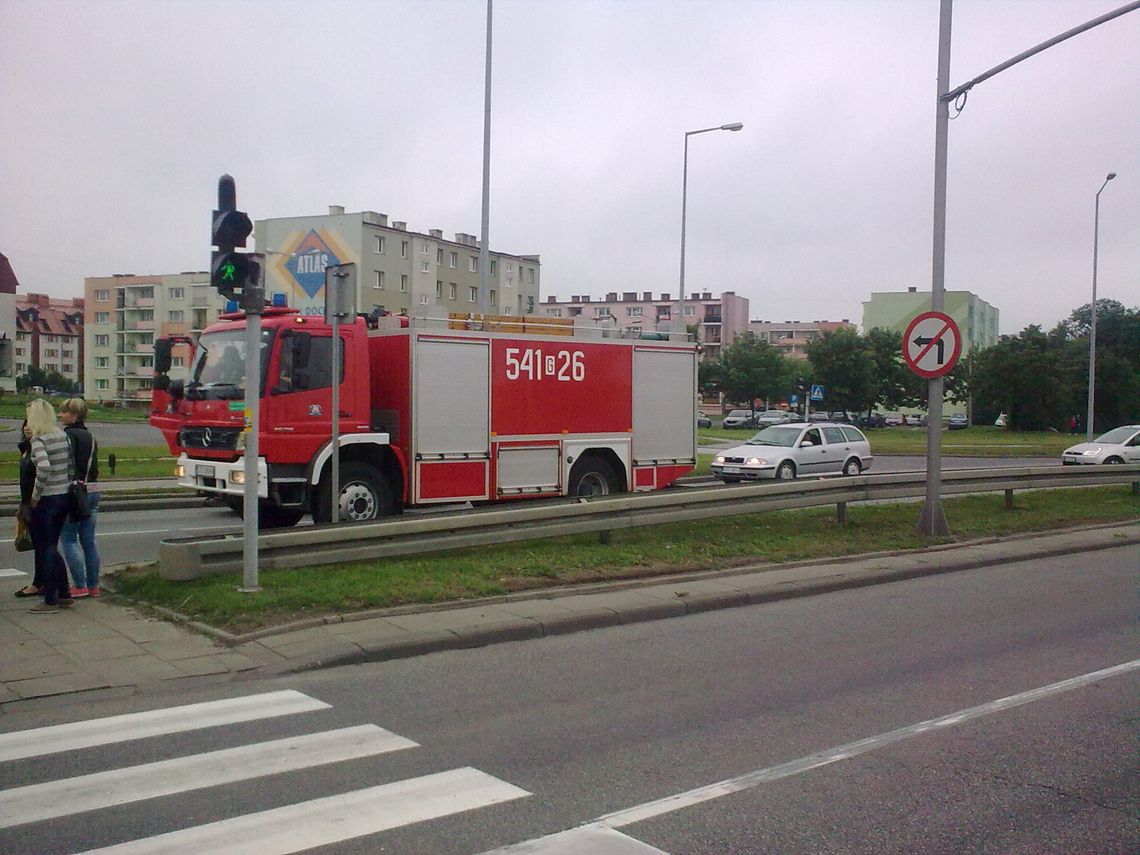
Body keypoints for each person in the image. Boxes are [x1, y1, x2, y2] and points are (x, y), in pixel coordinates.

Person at [24, 398, 75, 614]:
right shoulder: (61, 435)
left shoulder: (39, 439)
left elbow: (43, 468)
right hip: (64, 495)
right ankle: (64, 594)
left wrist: (35, 495)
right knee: (52, 547)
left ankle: (51, 599)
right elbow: (70, 466)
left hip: (47, 498)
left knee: (45, 549)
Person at [59, 398, 101, 598]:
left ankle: (79, 585)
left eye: (64, 412)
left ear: (74, 415)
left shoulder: (67, 436)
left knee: (68, 538)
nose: (60, 415)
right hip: (92, 489)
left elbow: (65, 465)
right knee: (89, 541)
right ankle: (94, 586)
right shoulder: (90, 436)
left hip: (75, 492)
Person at [14, 420, 42, 598]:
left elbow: (42, 474)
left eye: (31, 424)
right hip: (27, 503)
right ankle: (42, 581)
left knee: (43, 546)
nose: (26, 427)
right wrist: (22, 505)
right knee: (39, 545)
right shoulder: (25, 448)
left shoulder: (38, 449)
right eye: (25, 424)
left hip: (37, 503)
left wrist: (33, 499)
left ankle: (41, 583)